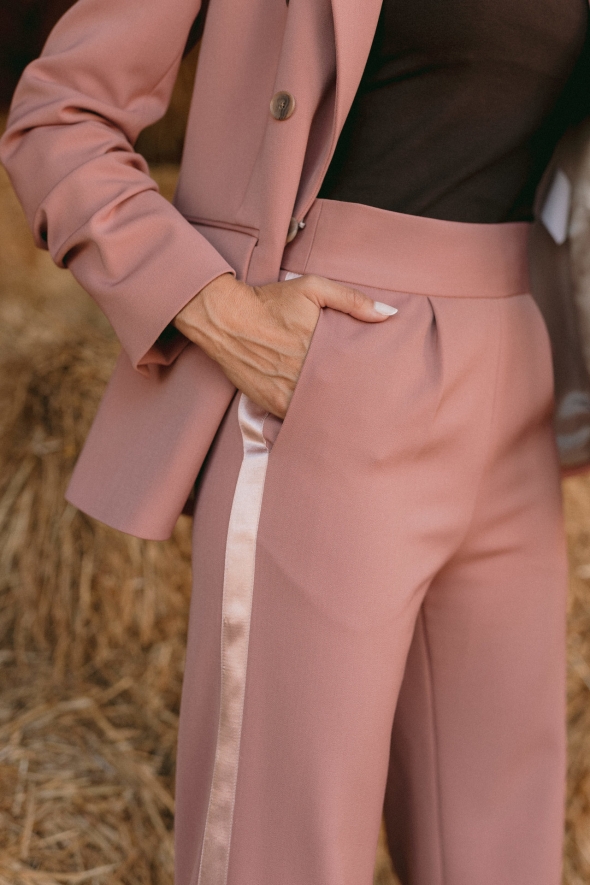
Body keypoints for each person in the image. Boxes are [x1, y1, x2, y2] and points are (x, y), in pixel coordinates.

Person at [1, 1, 589, 882]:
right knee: (282, 852)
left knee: (505, 853)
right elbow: (60, 111)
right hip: (334, 368)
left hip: (520, 372)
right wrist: (213, 308)